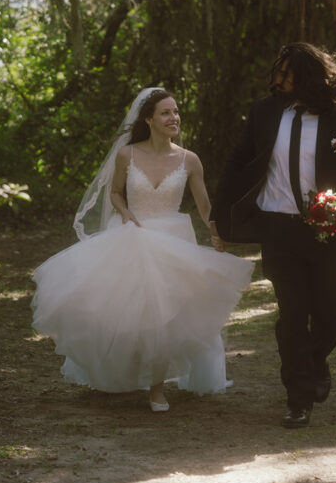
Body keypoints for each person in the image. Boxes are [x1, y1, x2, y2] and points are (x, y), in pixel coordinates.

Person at [32, 87, 253, 412]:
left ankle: (157, 388)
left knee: (167, 317)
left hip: (173, 243)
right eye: (165, 113)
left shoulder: (189, 159)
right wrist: (124, 212)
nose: (174, 117)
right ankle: (124, 374)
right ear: (148, 119)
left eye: (176, 112)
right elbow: (117, 193)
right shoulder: (128, 155)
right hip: (133, 238)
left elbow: (206, 208)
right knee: (127, 313)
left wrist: (217, 232)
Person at [211, 43, 336, 429]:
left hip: (328, 233)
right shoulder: (264, 112)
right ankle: (298, 397)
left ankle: (316, 359)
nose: (278, 80)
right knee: (291, 315)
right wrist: (218, 214)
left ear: (308, 76)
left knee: (331, 314)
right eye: (278, 72)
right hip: (278, 229)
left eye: (286, 74)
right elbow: (238, 162)